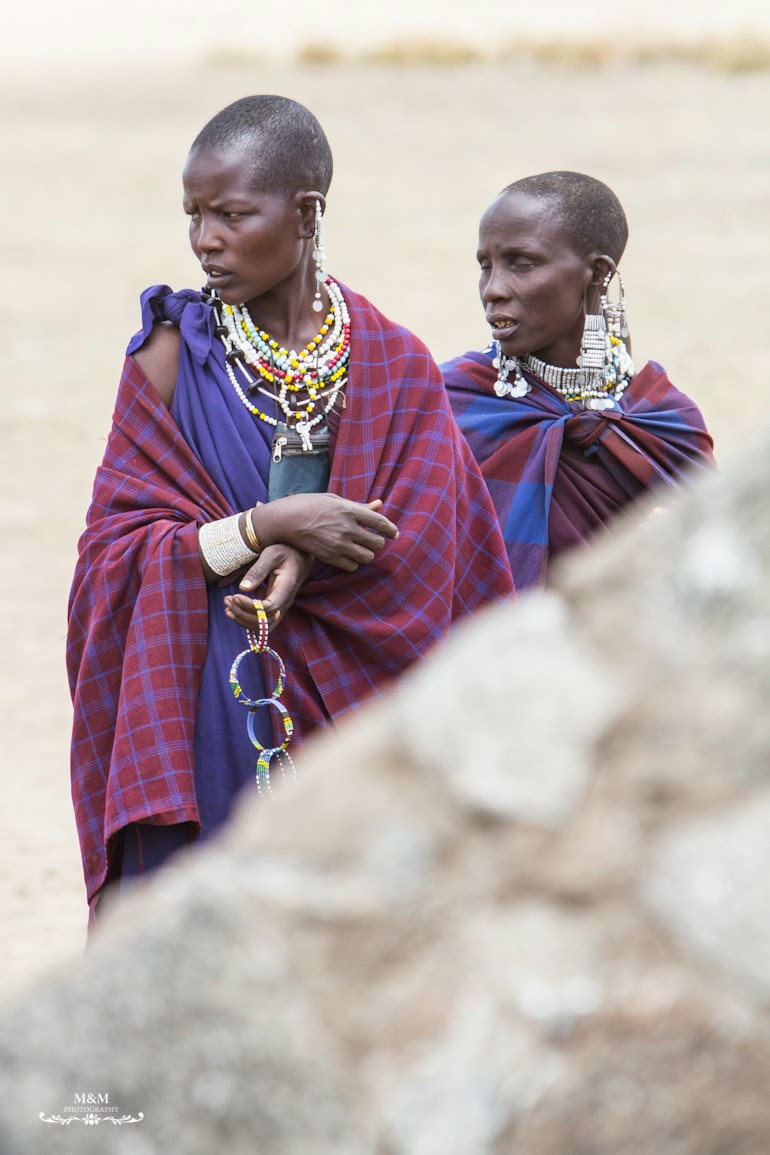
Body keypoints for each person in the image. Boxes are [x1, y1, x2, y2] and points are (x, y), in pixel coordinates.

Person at [67, 95, 514, 919]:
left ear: (307, 212)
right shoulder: (171, 358)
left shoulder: (393, 362)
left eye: (233, 214)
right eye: (194, 215)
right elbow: (112, 556)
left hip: (359, 733)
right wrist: (263, 528)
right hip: (210, 701)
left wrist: (310, 549)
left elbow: (432, 552)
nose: (206, 239)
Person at [442, 171, 715, 591]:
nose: (492, 289)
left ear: (597, 274)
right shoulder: (451, 404)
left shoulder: (665, 423)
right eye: (485, 266)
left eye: (522, 263)